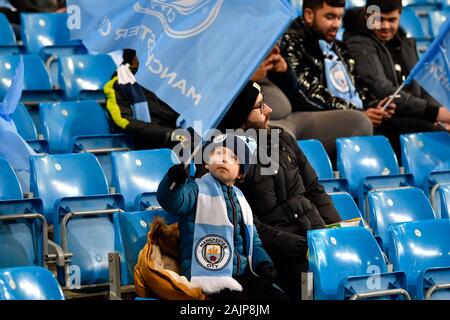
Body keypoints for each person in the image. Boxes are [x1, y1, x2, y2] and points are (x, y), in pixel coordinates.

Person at [217, 81, 342, 299]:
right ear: (240, 115)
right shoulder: (226, 160)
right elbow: (246, 223)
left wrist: (336, 229)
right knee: (317, 286)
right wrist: (299, 247)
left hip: (315, 239)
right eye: (260, 106)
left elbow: (313, 188)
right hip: (278, 255)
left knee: (353, 273)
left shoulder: (282, 139)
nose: (269, 110)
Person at [275, 0, 440, 159]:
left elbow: (359, 87)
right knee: (377, 135)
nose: (336, 24)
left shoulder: (338, 47)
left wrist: (375, 105)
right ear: (309, 15)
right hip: (323, 117)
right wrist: (359, 112)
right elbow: (308, 93)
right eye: (330, 17)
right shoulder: (292, 43)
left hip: (356, 114)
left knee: (426, 131)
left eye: (339, 18)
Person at [156, 133, 288, 300]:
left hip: (242, 274)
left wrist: (263, 263)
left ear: (241, 173)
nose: (224, 159)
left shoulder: (241, 199)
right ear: (207, 163)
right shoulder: (195, 189)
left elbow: (253, 241)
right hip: (207, 275)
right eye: (218, 154)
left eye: (233, 157)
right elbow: (172, 201)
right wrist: (174, 181)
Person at [252, 45, 373, 161]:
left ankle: (348, 176)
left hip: (292, 118)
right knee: (278, 138)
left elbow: (299, 97)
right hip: (257, 124)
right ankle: (300, 180)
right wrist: (247, 79)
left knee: (359, 122)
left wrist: (284, 71)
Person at [343, 0, 450, 131]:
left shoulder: (405, 43)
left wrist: (440, 117)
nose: (385, 26)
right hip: (385, 119)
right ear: (368, 15)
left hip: (414, 115)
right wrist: (435, 113)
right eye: (379, 19)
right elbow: (382, 90)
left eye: (392, 20)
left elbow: (423, 85)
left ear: (400, 15)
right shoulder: (358, 44)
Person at [103, 49, 189, 150]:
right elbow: (124, 122)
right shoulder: (117, 85)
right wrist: (172, 134)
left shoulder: (175, 81)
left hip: (183, 140)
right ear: (134, 58)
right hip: (151, 148)